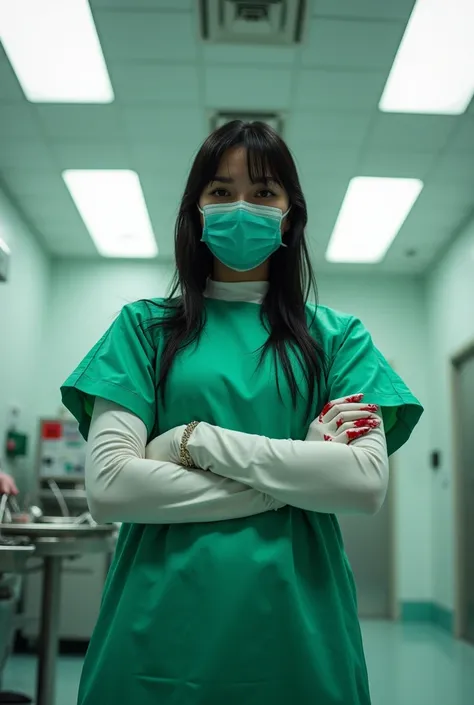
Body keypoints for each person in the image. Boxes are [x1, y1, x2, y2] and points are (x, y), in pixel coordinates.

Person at [61, 121, 423, 705]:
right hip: (157, 624)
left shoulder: (338, 340)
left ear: (289, 214)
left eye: (263, 193)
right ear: (195, 211)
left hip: (299, 625)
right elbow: (109, 487)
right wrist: (299, 476)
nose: (241, 207)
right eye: (221, 191)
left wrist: (191, 439)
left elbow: (362, 483)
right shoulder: (144, 329)